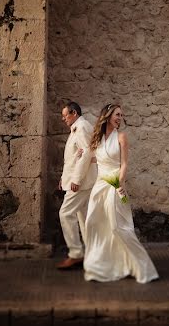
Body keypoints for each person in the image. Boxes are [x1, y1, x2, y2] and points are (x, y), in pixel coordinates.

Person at [83, 104, 159, 283]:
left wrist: (121, 184)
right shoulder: (98, 138)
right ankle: (100, 265)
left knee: (118, 226)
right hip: (99, 185)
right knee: (94, 223)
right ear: (108, 116)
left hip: (115, 184)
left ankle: (142, 266)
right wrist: (81, 155)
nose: (120, 118)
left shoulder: (122, 137)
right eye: (117, 114)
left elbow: (124, 163)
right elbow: (99, 158)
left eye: (121, 115)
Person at [56, 101, 96, 270]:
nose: (64, 119)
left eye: (65, 115)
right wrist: (64, 179)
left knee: (65, 213)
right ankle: (92, 255)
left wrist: (76, 180)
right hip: (78, 180)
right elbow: (74, 157)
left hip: (81, 182)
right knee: (83, 217)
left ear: (74, 113)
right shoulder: (77, 128)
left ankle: (76, 254)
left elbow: (87, 153)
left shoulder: (82, 127)